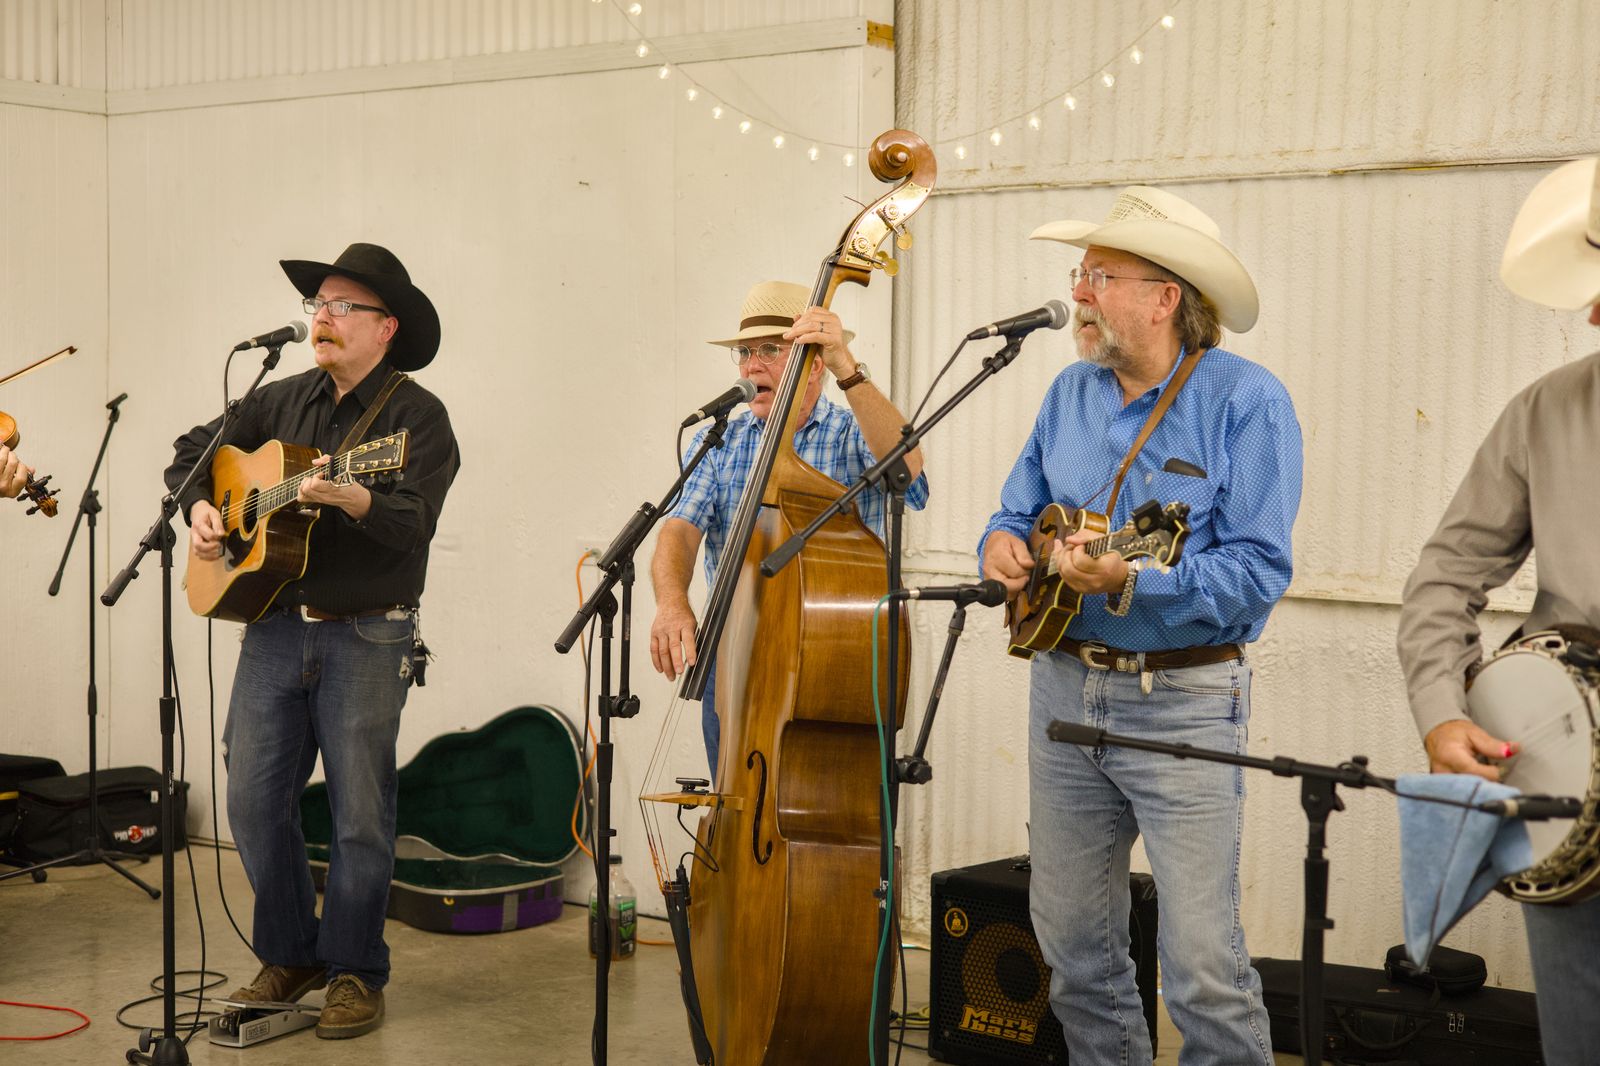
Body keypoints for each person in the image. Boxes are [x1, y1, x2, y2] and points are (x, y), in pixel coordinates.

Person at [979, 186, 1302, 1066]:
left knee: (1202, 966)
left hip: (1184, 699)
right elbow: (1015, 512)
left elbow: (1258, 573)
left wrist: (1134, 578)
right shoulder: (1068, 393)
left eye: (1099, 276)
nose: (1078, 292)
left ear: (1165, 297)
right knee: (1074, 948)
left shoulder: (1247, 401)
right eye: (1079, 275)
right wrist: (1001, 547)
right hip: (1063, 689)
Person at [164, 242, 460, 1039]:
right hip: (271, 627)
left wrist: (358, 500)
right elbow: (193, 454)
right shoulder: (280, 397)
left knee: (360, 812)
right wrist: (201, 509)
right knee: (252, 800)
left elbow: (413, 524)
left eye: (342, 307)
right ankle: (291, 954)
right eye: (318, 305)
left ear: (386, 327)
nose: (322, 318)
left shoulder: (416, 420)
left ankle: (356, 969)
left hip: (368, 633)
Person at [1397, 157, 1600, 1066]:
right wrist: (1442, 713)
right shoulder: (1547, 410)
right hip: (1567, 804)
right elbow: (1445, 575)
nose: (1591, 314)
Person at [649, 280, 929, 773]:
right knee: (733, 798)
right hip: (733, 654)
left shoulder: (851, 432)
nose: (751, 366)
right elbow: (680, 528)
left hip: (831, 656)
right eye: (744, 352)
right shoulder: (721, 440)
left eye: (770, 351)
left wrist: (848, 368)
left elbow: (908, 471)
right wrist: (672, 604)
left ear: (814, 364)